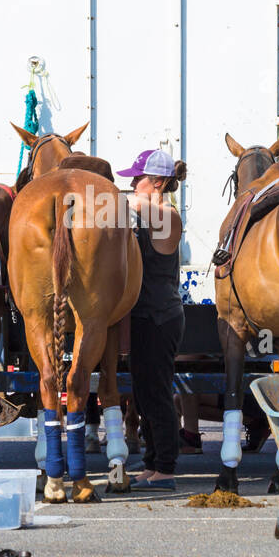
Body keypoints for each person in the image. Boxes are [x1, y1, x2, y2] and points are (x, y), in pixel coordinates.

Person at [116, 149, 187, 490]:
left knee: (157, 392)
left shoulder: (165, 213)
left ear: (157, 182)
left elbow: (122, 204)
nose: (131, 183)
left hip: (161, 316)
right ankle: (151, 463)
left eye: (137, 177)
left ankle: (167, 468)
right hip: (146, 315)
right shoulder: (147, 211)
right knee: (143, 394)